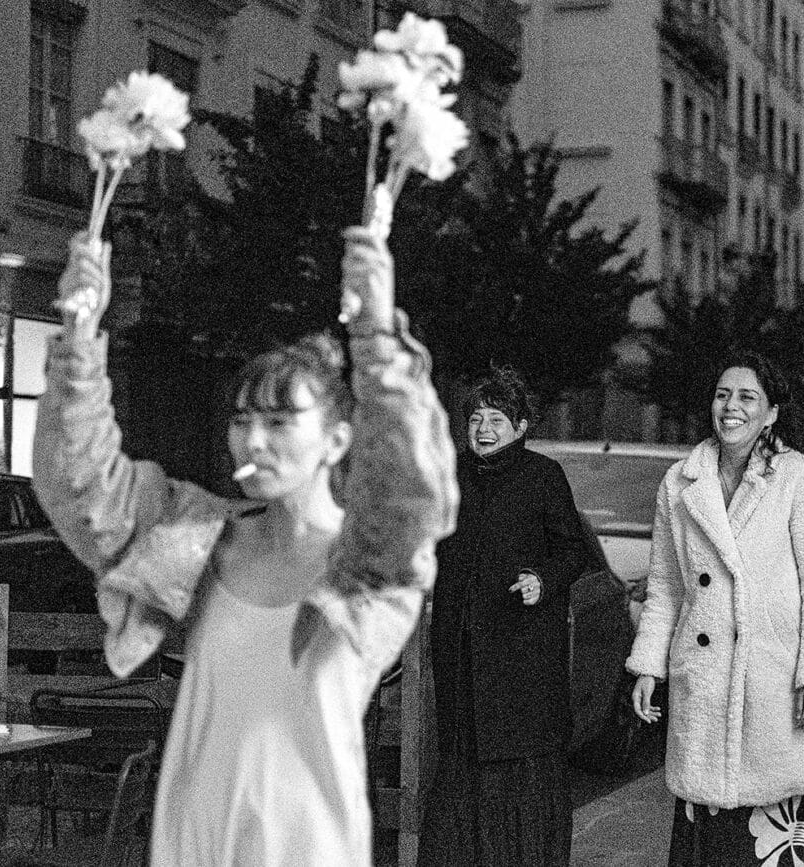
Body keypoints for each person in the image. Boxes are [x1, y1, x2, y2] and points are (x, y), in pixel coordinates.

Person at [32, 227, 457, 866]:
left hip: (308, 845)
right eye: (241, 420)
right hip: (194, 835)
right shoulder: (195, 543)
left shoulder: (371, 565)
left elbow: (412, 484)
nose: (253, 441)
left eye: (279, 422)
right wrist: (79, 336)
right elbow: (83, 485)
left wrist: (374, 335)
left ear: (337, 440)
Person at [627, 351, 804, 866]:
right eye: (723, 395)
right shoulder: (680, 482)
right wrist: (648, 666)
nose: (731, 407)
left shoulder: (797, 477)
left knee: (773, 833)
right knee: (705, 834)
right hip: (703, 684)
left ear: (771, 413)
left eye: (748, 397)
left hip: (774, 683)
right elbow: (666, 586)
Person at [418, 366, 588, 867]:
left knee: (519, 769)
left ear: (521, 427)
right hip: (461, 655)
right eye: (475, 418)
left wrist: (542, 580)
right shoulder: (450, 475)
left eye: (496, 419)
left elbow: (573, 551)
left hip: (522, 660)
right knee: (461, 761)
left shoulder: (543, 476)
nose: (484, 429)